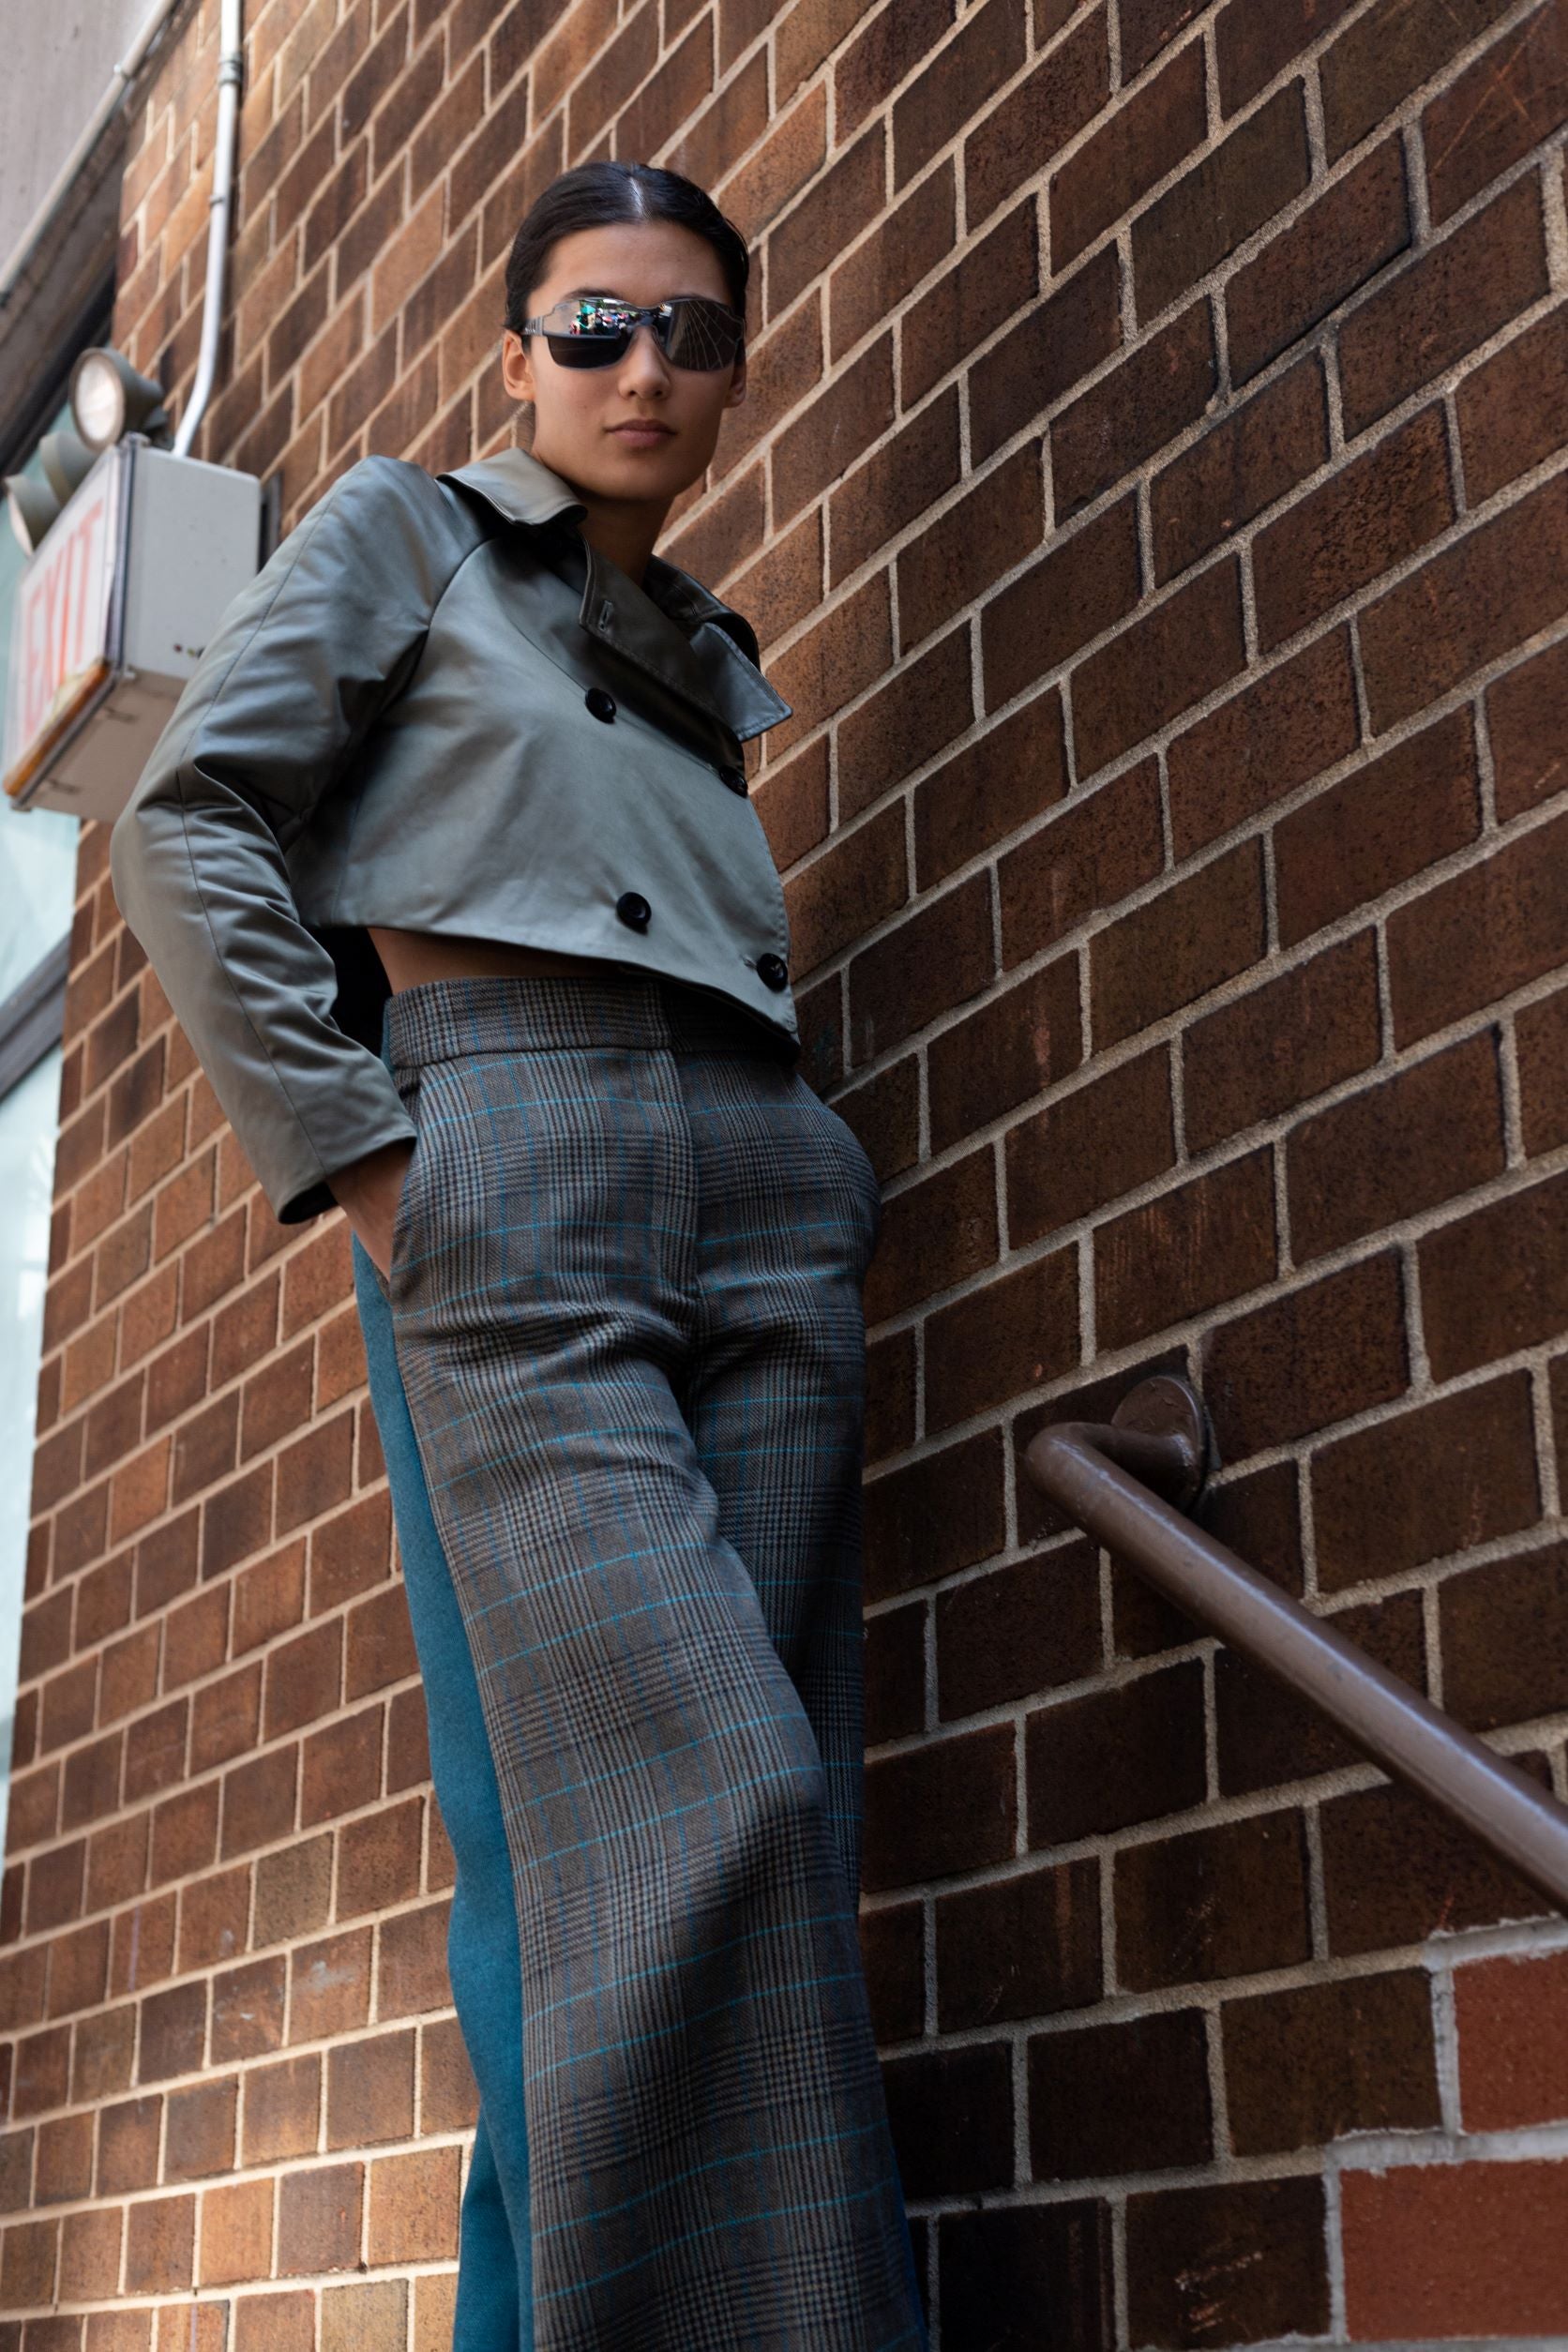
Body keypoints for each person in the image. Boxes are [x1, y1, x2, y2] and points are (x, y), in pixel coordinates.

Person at [110, 159, 927, 2350]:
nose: (640, 368)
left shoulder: (705, 650)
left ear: (734, 375)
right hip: (516, 1166)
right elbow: (185, 821)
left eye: (687, 332)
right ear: (517, 354)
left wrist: (815, 1163)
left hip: (761, 1190)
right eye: (593, 323)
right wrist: (368, 1161)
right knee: (700, 1806)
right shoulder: (407, 530)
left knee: (712, 1865)